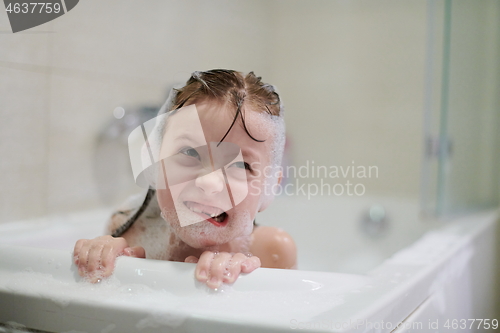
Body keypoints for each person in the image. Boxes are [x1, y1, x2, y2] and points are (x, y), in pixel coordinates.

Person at [73, 69, 296, 289]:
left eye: (241, 165)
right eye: (189, 152)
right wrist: (109, 269)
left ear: (270, 188)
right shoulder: (127, 231)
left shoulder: (271, 251)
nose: (209, 182)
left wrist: (243, 288)